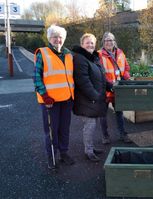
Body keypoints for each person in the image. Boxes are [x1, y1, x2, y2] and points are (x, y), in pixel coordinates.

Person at [33, 24, 75, 170]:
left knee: (64, 128)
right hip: (50, 101)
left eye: (60, 37)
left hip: (67, 99)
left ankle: (64, 153)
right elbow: (36, 76)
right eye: (55, 37)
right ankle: (51, 156)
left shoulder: (68, 54)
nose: (58, 40)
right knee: (51, 130)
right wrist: (44, 96)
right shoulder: (43, 54)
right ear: (49, 38)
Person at [72, 33, 107, 162]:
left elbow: (101, 78)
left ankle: (90, 147)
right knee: (89, 125)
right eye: (87, 42)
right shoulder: (80, 58)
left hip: (93, 100)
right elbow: (83, 81)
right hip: (87, 100)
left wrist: (110, 86)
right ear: (82, 44)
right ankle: (88, 151)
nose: (90, 44)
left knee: (92, 125)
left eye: (92, 42)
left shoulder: (93, 58)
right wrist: (96, 96)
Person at [98, 32, 132, 143]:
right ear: (103, 42)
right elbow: (99, 73)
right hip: (105, 89)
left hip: (119, 89)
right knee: (103, 114)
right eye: (107, 40)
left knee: (119, 112)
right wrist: (109, 85)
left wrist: (126, 76)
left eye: (111, 40)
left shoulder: (121, 53)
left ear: (114, 41)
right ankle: (105, 136)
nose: (109, 42)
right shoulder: (99, 54)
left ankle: (122, 134)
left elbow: (126, 67)